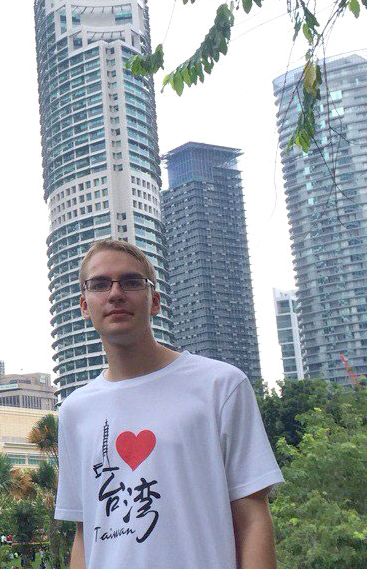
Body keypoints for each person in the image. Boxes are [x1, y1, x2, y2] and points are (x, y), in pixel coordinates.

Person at [54, 238, 282, 569]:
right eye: (100, 284)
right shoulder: (74, 411)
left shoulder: (220, 386)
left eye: (131, 282)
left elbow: (253, 516)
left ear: (155, 301)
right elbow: (84, 532)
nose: (115, 293)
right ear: (84, 305)